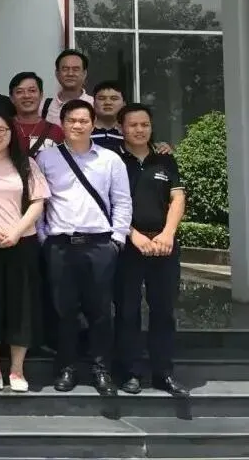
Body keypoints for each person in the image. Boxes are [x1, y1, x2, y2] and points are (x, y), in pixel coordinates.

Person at [37, 99, 132, 396]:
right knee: (64, 311)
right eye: (71, 120)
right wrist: (43, 238)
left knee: (100, 310)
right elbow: (39, 201)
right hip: (60, 245)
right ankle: (67, 368)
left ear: (93, 124)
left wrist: (117, 239)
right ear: (62, 124)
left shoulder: (110, 159)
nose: (77, 125)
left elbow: (122, 200)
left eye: (83, 120)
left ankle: (101, 369)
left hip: (100, 245)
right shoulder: (46, 158)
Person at [114, 103, 188, 397]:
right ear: (121, 128)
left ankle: (163, 372)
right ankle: (130, 372)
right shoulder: (113, 160)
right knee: (127, 310)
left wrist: (168, 234)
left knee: (164, 310)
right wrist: (133, 235)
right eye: (133, 125)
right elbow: (108, 203)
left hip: (164, 245)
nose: (139, 130)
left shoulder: (165, 159)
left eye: (144, 124)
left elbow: (177, 199)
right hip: (128, 246)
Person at [0, 110, 49, 393]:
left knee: (22, 306)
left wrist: (17, 231)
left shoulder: (26, 163)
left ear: (11, 133)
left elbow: (38, 202)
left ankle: (17, 368)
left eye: (1, 130)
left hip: (23, 243)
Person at [9, 72, 64, 158]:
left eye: (32, 91)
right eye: (19, 92)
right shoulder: (2, 128)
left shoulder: (56, 131)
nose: (26, 96)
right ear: (12, 98)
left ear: (41, 95)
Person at [42, 49, 93, 126]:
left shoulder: (95, 105)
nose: (70, 74)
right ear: (57, 74)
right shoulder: (43, 107)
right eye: (65, 69)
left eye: (76, 69)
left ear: (84, 73)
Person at [90, 81, 126, 151]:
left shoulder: (130, 133)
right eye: (102, 98)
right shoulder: (84, 132)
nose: (108, 103)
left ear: (124, 104)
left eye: (114, 98)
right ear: (94, 103)